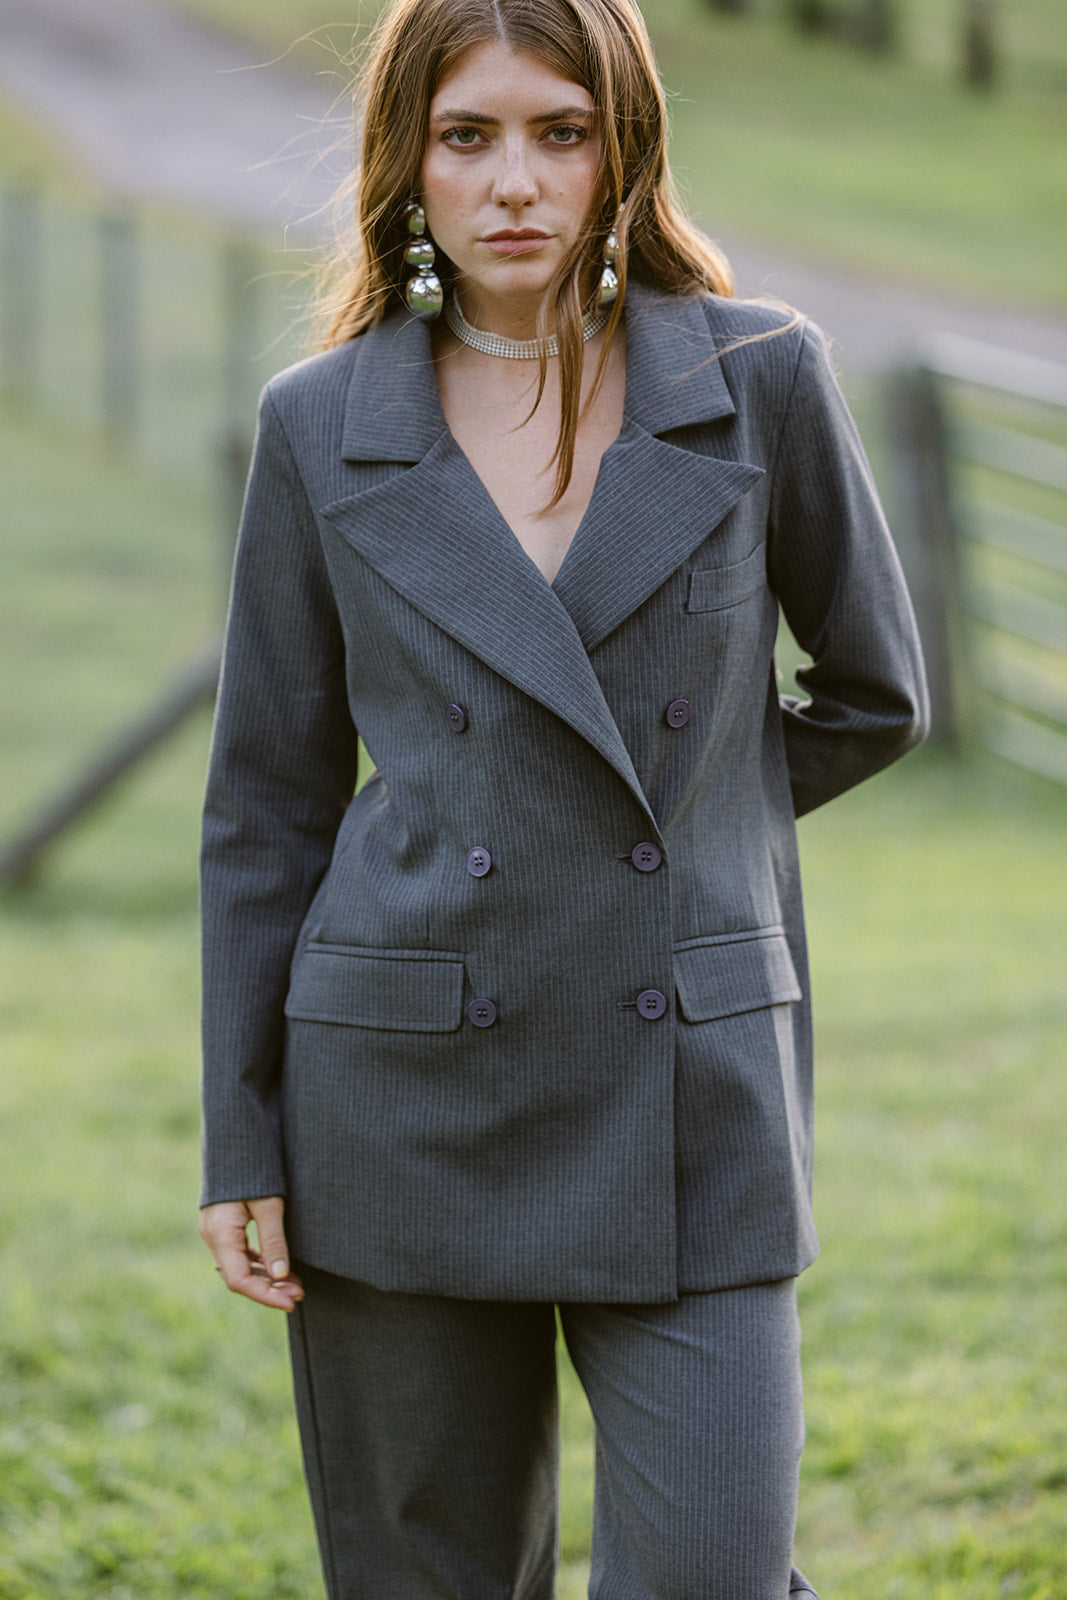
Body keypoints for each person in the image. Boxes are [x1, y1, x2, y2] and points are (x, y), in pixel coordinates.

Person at [197, 0, 929, 1593]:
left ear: (623, 151)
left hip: (691, 1082)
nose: (515, 180)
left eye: (560, 131)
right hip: (396, 1088)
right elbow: (266, 802)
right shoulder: (319, 428)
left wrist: (664, 837)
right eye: (469, 137)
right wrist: (240, 1135)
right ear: (408, 163)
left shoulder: (758, 377)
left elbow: (876, 697)